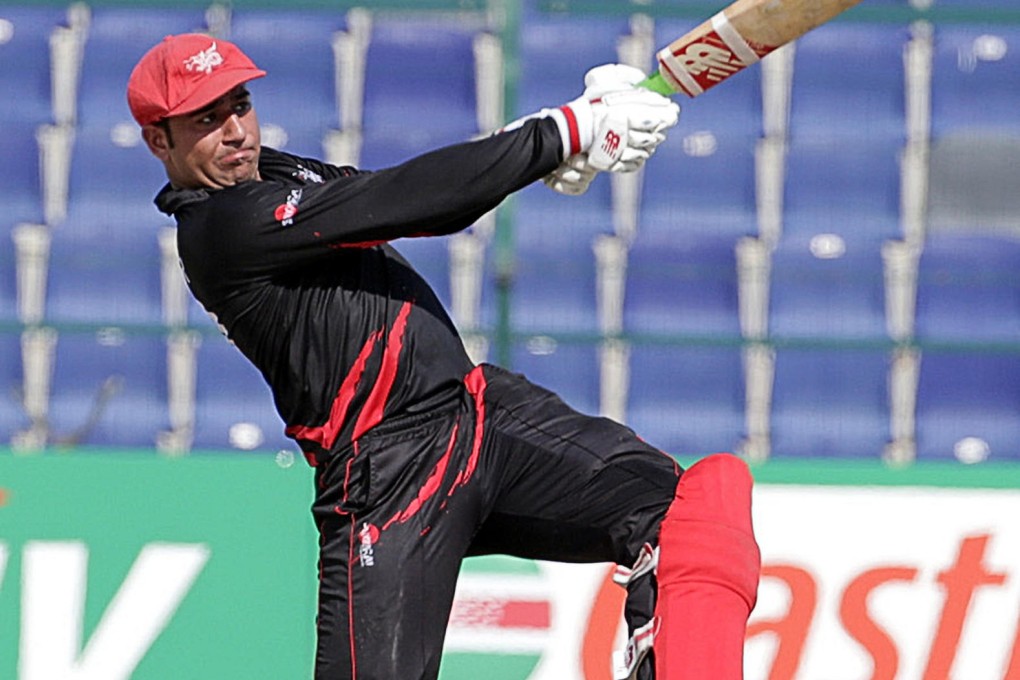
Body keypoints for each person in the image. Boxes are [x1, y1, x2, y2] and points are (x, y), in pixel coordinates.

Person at [127, 33, 761, 680]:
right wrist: (563, 131)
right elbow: (408, 201)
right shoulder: (219, 229)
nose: (235, 130)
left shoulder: (275, 172)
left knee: (687, 510)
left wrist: (541, 146)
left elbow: (408, 185)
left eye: (240, 104)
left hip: (480, 418)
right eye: (207, 120)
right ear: (159, 140)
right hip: (388, 473)